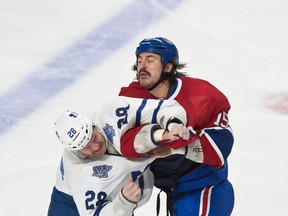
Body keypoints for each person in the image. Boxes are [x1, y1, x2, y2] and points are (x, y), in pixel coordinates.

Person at [118, 37, 235, 215]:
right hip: (174, 191)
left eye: (150, 60)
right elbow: (124, 142)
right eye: (139, 60)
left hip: (204, 188)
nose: (142, 66)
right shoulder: (130, 97)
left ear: (168, 67)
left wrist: (174, 149)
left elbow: (221, 146)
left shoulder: (201, 95)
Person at [47, 96, 193, 216]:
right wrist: (124, 202)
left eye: (93, 137)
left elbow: (168, 107)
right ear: (77, 151)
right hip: (71, 207)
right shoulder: (81, 173)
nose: (95, 146)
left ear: (93, 124)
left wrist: (174, 122)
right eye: (86, 147)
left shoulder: (113, 112)